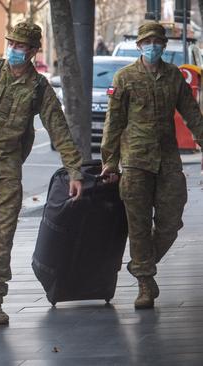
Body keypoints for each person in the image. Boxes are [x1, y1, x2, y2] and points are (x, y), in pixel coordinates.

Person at [0, 21, 83, 325]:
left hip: (7, 171)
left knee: (2, 238)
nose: (14, 50)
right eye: (12, 44)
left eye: (21, 46)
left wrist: (74, 170)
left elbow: (59, 130)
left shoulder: (39, 89)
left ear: (34, 51)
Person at [100, 22, 203, 309]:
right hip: (135, 162)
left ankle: (140, 264)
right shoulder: (125, 78)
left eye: (158, 41)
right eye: (148, 41)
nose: (153, 45)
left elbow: (192, 114)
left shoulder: (173, 77)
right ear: (139, 45)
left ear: (164, 44)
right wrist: (109, 161)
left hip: (168, 160)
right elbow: (113, 123)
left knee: (171, 221)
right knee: (139, 226)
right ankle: (145, 283)